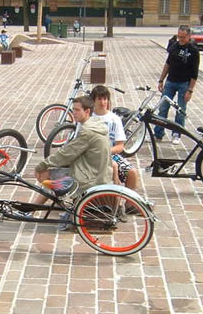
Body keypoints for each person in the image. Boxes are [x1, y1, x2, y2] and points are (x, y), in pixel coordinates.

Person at [34, 96, 113, 230]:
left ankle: (34, 210)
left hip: (89, 178)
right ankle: (42, 209)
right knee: (55, 174)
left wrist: (41, 166)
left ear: (87, 111)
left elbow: (66, 154)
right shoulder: (97, 124)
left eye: (77, 110)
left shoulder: (87, 132)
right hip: (98, 172)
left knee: (47, 174)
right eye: (73, 110)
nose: (73, 113)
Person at [155, 26, 200, 144]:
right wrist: (161, 80)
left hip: (184, 83)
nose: (180, 39)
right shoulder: (174, 46)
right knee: (163, 107)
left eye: (183, 37)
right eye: (178, 36)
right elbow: (167, 64)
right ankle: (158, 133)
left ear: (189, 36)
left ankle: (177, 134)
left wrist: (190, 90)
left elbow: (195, 73)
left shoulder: (193, 50)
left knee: (180, 110)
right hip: (170, 81)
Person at [90, 86, 140, 191]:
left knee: (132, 173)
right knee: (112, 169)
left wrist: (107, 151)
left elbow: (120, 146)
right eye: (99, 99)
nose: (103, 102)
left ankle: (129, 205)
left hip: (111, 154)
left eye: (105, 99)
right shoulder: (88, 118)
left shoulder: (115, 119)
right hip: (92, 156)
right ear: (93, 101)